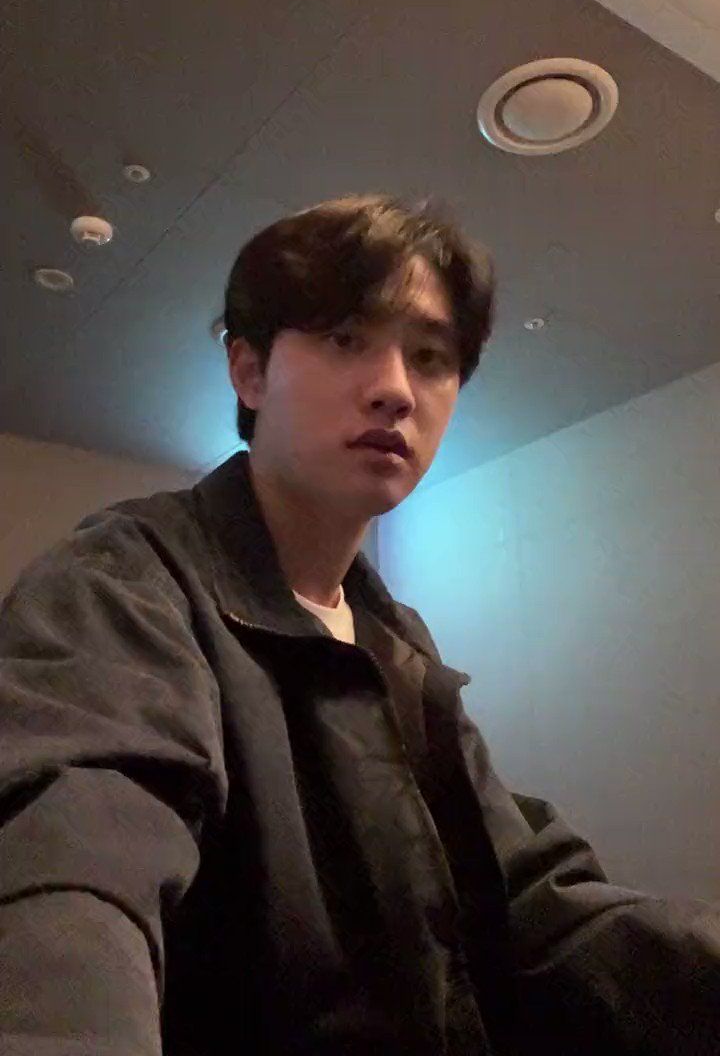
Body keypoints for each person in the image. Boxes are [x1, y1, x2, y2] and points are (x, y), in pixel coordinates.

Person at [0, 193, 717, 1056]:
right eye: (346, 339)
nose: (394, 390)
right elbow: (73, 867)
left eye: (431, 356)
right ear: (249, 371)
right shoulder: (125, 582)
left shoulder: (397, 644)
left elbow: (529, 901)